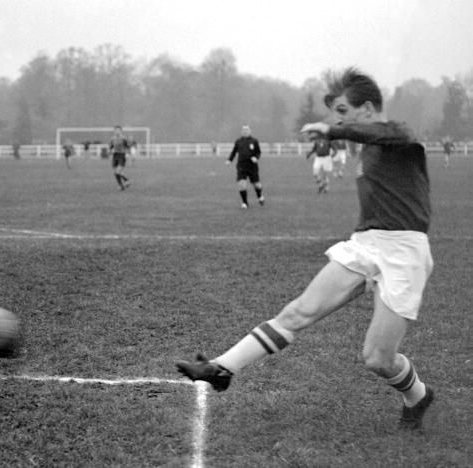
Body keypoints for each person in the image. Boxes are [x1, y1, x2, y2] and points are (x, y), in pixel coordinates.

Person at [177, 67, 435, 430]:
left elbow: (388, 132)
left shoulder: (399, 136)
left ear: (367, 108)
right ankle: (221, 368)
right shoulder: (369, 144)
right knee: (298, 312)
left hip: (405, 252)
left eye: (343, 111)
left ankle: (418, 395)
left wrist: (333, 130)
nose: (337, 119)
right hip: (365, 244)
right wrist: (340, 130)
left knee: (378, 358)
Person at [226, 125, 264, 208]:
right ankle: (245, 203)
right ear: (241, 132)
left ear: (250, 131)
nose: (245, 131)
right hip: (241, 166)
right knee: (241, 184)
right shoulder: (238, 141)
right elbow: (234, 151)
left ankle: (260, 196)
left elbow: (258, 152)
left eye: (247, 130)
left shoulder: (254, 141)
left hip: (252, 166)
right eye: (244, 130)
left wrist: (256, 158)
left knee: (257, 185)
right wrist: (229, 160)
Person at [109, 126, 131, 190]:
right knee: (116, 172)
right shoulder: (112, 138)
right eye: (116, 130)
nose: (117, 131)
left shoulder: (124, 138)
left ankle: (124, 183)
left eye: (118, 130)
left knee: (118, 172)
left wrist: (128, 154)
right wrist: (110, 151)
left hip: (122, 155)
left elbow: (128, 146)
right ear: (114, 131)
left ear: (121, 131)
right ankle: (124, 183)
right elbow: (111, 146)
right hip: (115, 155)